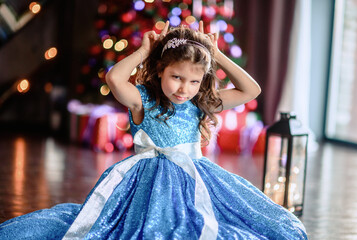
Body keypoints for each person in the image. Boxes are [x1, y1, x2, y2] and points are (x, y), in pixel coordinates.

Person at [0, 21, 308, 239]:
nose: (183, 88)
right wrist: (143, 53)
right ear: (160, 69)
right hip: (145, 181)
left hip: (193, 178)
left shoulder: (200, 103)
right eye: (176, 77)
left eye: (193, 81)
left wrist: (217, 55)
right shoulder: (143, 100)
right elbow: (115, 80)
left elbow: (251, 90)